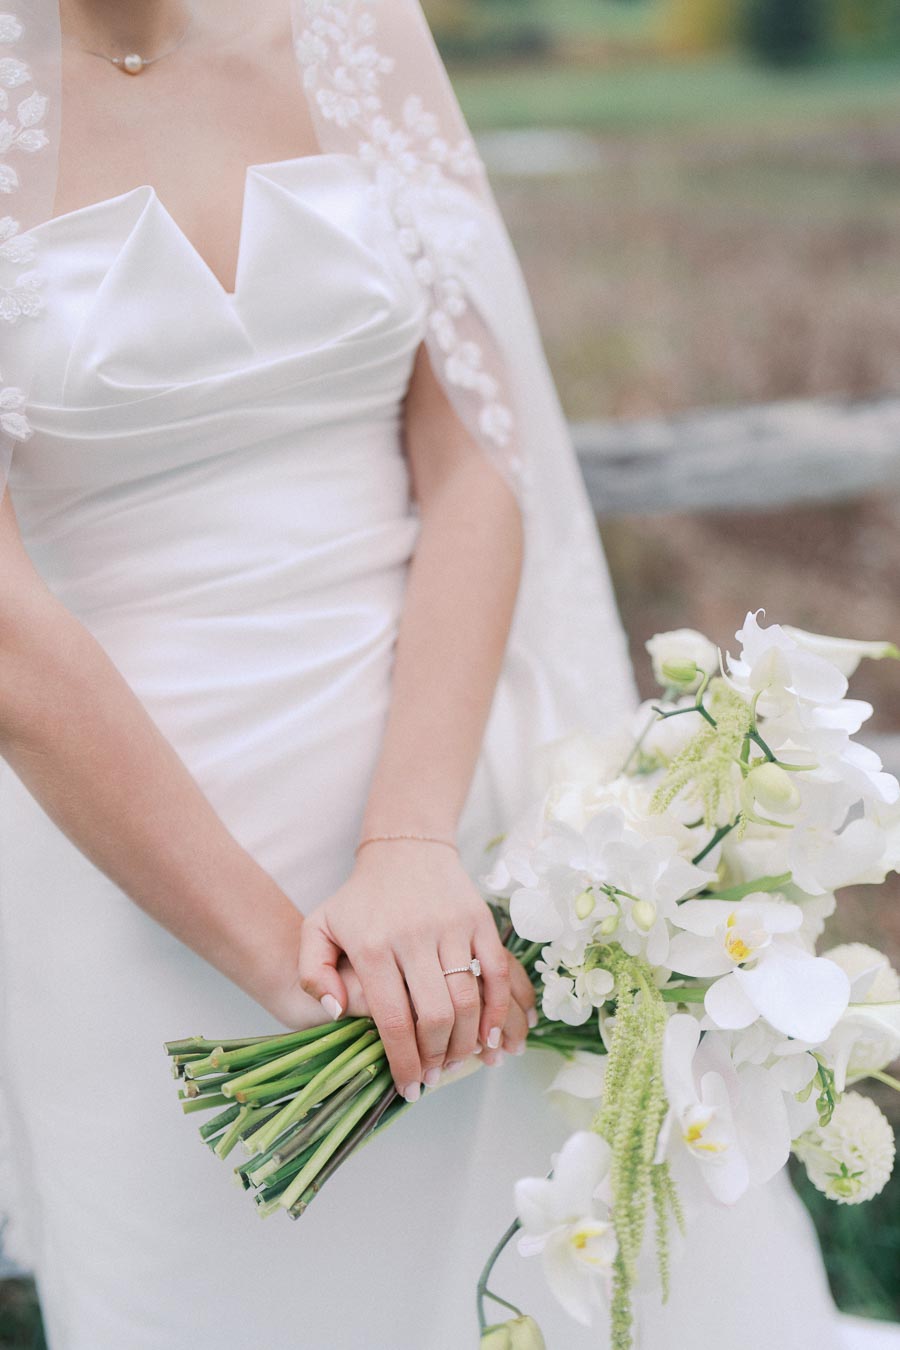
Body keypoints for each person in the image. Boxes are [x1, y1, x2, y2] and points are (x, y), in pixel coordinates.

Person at [0, 2, 887, 1346]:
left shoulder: (354, 29)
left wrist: (413, 845)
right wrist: (283, 958)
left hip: (463, 824)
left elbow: (477, 446)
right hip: (140, 879)